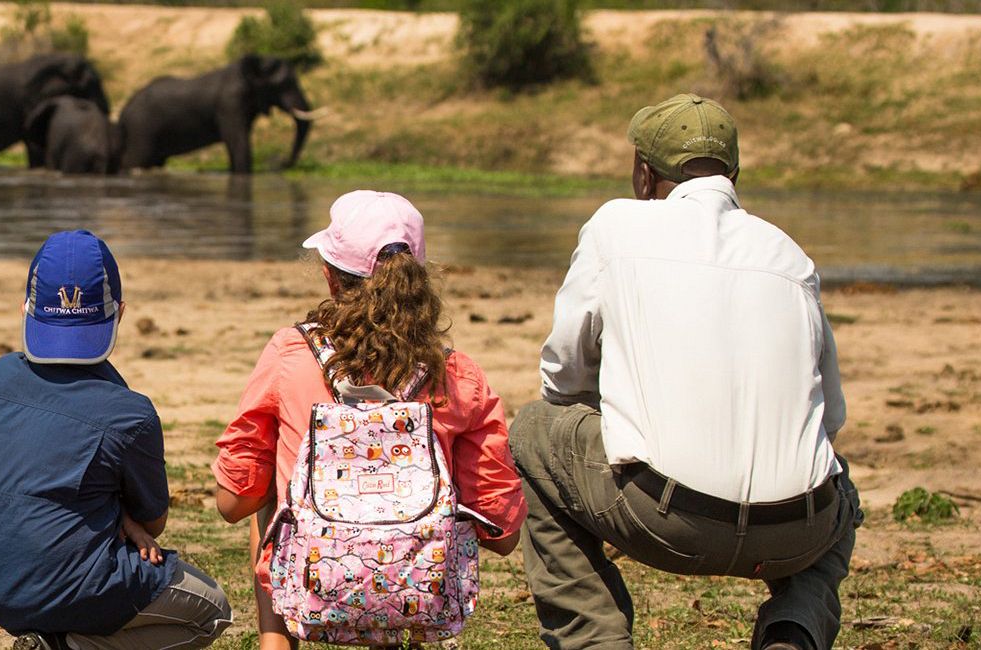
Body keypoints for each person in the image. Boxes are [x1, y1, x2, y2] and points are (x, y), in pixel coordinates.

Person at [513, 94, 863, 650]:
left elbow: (562, 376)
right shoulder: (790, 255)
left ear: (644, 172)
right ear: (734, 174)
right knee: (839, 484)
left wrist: (623, 415)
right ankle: (794, 628)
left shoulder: (615, 227)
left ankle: (594, 640)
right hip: (797, 530)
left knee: (532, 431)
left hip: (665, 518)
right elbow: (831, 417)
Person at [212, 191, 526, 649]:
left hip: (309, 585)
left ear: (330, 278)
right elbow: (502, 533)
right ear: (418, 280)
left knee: (276, 486)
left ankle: (275, 644)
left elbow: (232, 503)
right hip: (420, 594)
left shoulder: (291, 353)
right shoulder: (458, 375)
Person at [0, 230, 232, 650]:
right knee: (212, 610)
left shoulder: (0, 376)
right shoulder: (132, 414)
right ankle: (65, 646)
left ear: (26, 310)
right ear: (119, 313)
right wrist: (125, 517)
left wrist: (112, 514)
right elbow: (154, 524)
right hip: (61, 585)